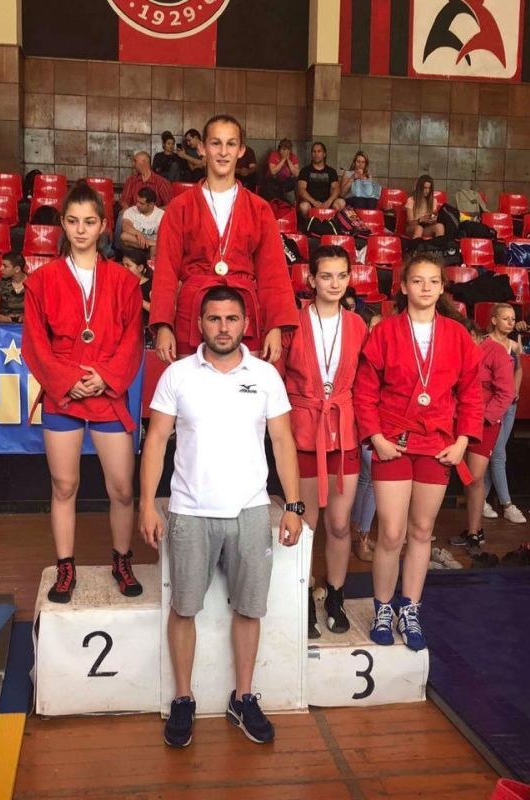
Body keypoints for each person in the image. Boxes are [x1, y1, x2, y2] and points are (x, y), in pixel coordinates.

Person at [139, 285, 303, 748]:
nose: (223, 327)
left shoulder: (266, 375)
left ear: (245, 324)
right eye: (214, 319)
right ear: (200, 324)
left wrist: (293, 506)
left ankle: (243, 697)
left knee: (249, 609)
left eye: (232, 319)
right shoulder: (177, 374)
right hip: (189, 512)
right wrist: (146, 503)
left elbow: (283, 442)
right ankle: (183, 698)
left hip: (250, 511)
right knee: (184, 608)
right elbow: (156, 440)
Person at [22, 181, 144, 603]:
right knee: (64, 485)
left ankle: (122, 560)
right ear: (63, 223)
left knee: (122, 488)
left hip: (107, 393)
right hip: (64, 395)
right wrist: (65, 380)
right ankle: (65, 566)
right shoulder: (42, 280)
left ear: (103, 226)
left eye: (89, 222)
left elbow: (133, 339)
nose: (80, 229)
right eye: (73, 221)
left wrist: (106, 377)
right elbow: (35, 343)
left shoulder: (124, 281)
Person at [354, 252, 483, 651]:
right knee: (391, 532)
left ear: (442, 288)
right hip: (393, 440)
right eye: (417, 281)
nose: (425, 288)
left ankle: (409, 608)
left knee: (422, 530)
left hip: (437, 443)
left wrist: (462, 441)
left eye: (433, 281)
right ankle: (383, 607)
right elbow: (365, 391)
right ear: (404, 287)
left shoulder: (457, 335)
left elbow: (471, 393)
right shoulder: (386, 332)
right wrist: (375, 437)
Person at [150, 114, 299, 363]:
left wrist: (275, 326)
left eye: (231, 144)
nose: (223, 152)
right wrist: (164, 325)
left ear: (241, 150)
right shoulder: (179, 207)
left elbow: (273, 272)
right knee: (192, 388)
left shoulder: (259, 208)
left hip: (243, 314)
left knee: (243, 387)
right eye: (215, 143)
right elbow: (165, 270)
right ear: (202, 148)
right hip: (192, 314)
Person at [277, 245, 367, 640]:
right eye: (326, 276)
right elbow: (276, 380)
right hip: (303, 431)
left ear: (350, 278)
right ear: (311, 279)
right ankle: (302, 597)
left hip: (343, 432)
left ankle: (335, 596)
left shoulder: (358, 325)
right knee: (308, 524)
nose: (334, 283)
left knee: (339, 524)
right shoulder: (292, 323)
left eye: (341, 275)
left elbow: (365, 382)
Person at [450, 319, 516, 551]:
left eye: (469, 336)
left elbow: (506, 392)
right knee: (466, 477)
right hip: (458, 420)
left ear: (478, 336)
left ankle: (475, 532)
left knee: (474, 477)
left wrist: (484, 417)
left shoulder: (495, 352)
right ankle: (474, 529)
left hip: (483, 423)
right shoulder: (454, 353)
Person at [482, 304, 526, 523]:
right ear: (494, 320)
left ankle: (480, 500)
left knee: (496, 452)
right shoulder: (484, 343)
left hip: (509, 405)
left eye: (512, 319)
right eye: (505, 318)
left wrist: (515, 390)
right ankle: (507, 504)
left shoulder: (514, 345)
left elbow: (519, 369)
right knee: (497, 453)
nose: (510, 322)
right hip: (491, 405)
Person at [350, 309, 382, 562]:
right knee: (373, 480)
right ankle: (361, 535)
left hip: (369, 424)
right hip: (364, 425)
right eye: (374, 328)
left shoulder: (382, 355)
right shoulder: (361, 356)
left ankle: (358, 533)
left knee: (366, 479)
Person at [297, 142, 340, 220]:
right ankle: (309, 225)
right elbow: (301, 189)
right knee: (303, 206)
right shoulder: (305, 171)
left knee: (341, 203)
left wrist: (328, 202)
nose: (316, 154)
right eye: (314, 151)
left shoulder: (331, 171)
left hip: (327, 203)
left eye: (319, 151)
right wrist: (314, 202)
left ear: (324, 154)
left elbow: (336, 189)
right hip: (310, 203)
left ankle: (332, 224)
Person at [121, 247, 153, 345]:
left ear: (140, 268)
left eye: (128, 265)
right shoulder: (122, 284)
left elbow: (156, 310)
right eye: (123, 265)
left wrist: (137, 298)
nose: (124, 268)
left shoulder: (152, 285)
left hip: (145, 333)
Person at [120, 187, 164, 257]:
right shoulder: (130, 211)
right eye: (137, 201)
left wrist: (150, 242)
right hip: (136, 244)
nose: (138, 205)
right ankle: (151, 244)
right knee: (124, 236)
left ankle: (151, 261)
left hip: (154, 247)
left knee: (156, 246)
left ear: (151, 204)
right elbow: (125, 226)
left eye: (141, 203)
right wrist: (138, 233)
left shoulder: (161, 214)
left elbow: (164, 236)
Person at [0, 252, 27, 323]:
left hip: (27, 325)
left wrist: (27, 317)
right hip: (4, 325)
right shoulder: (1, 283)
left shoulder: (32, 283)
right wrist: (8, 319)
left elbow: (40, 310)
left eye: (5, 266)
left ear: (17, 269)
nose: (0, 268)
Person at [404, 175, 444, 239]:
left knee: (440, 226)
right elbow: (410, 223)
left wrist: (432, 219)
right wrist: (421, 220)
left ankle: (438, 245)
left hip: (426, 227)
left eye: (429, 188)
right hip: (413, 227)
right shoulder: (411, 200)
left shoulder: (433, 200)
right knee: (419, 228)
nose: (427, 191)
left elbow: (434, 215)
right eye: (425, 188)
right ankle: (415, 245)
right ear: (420, 188)